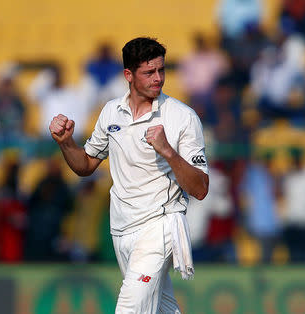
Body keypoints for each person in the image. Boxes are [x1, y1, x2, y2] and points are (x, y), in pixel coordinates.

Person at [49, 37, 209, 313]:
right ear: (128, 75)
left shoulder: (182, 117)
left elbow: (201, 188)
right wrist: (66, 142)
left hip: (160, 227)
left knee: (129, 309)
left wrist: (168, 151)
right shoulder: (112, 112)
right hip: (121, 230)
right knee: (161, 308)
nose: (158, 78)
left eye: (161, 70)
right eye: (149, 72)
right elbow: (86, 165)